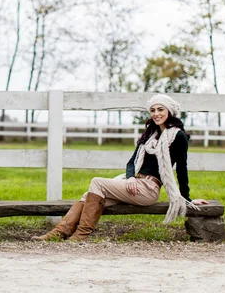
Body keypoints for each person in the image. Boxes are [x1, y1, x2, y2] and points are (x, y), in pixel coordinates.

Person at [31, 93, 209, 242]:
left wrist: (187, 198)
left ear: (170, 112)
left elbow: (181, 169)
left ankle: (80, 235)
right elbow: (131, 162)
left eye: (160, 109)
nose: (156, 114)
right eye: (153, 110)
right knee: (88, 196)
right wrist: (131, 177)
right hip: (133, 184)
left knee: (97, 182)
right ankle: (58, 233)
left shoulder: (178, 137)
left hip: (148, 190)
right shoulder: (149, 136)